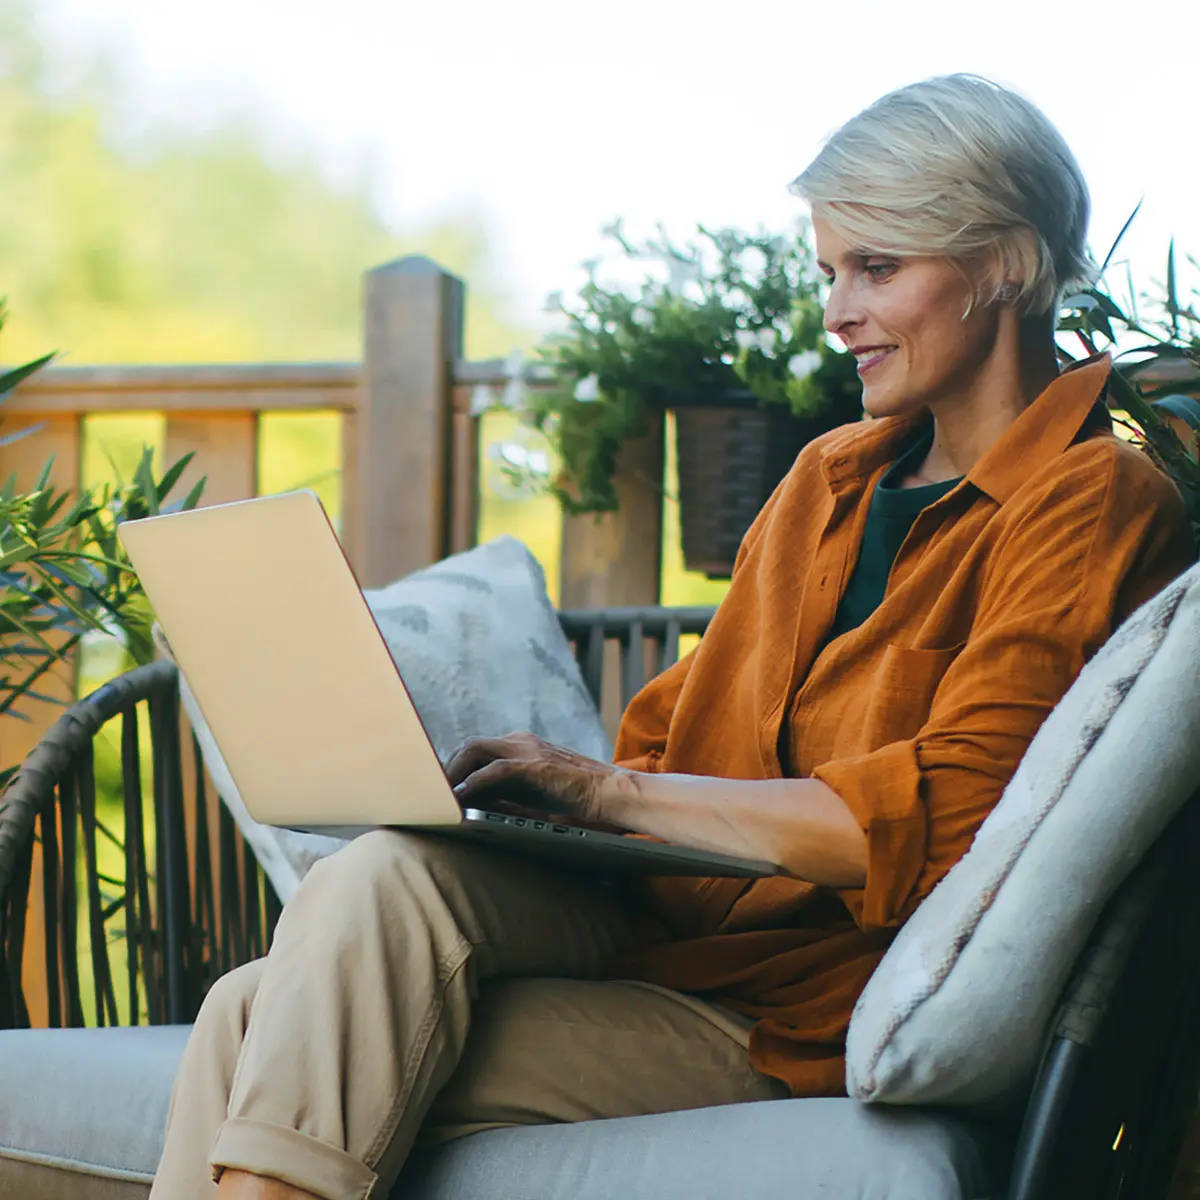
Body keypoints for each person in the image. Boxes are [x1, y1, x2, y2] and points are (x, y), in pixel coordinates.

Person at [151, 74, 1194, 1200]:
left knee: (255, 1018)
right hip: (661, 919)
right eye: (829, 272)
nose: (838, 312)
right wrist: (565, 804)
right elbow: (678, 735)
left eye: (877, 269)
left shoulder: (1092, 498)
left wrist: (611, 800)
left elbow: (941, 823)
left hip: (790, 1005)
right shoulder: (825, 480)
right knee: (365, 894)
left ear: (1005, 263)